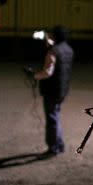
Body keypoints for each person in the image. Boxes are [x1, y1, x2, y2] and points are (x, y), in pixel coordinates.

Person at [29, 26, 74, 155]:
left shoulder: (53, 51)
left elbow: (48, 72)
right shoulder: (68, 50)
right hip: (62, 89)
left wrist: (34, 76)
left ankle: (54, 148)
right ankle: (59, 144)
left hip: (51, 90)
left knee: (52, 119)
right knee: (55, 116)